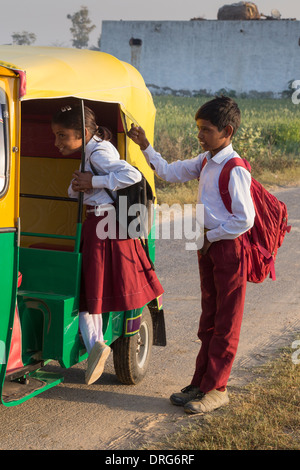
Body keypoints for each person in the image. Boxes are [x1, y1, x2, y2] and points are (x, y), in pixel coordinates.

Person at [128, 96, 255, 414]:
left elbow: (245, 218)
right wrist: (145, 145)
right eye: (199, 129)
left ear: (226, 131)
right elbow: (169, 173)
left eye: (206, 130)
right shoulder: (206, 161)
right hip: (209, 247)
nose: (199, 135)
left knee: (226, 321)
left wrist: (210, 236)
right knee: (209, 319)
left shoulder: (234, 168)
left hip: (227, 249)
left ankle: (218, 389)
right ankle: (201, 383)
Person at [51, 105, 164, 385]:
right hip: (104, 224)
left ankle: (96, 348)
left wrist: (94, 180)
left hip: (103, 225)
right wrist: (85, 183)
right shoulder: (93, 149)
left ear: (84, 133)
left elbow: (132, 176)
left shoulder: (98, 152)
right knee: (93, 291)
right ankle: (96, 347)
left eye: (63, 135)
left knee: (91, 292)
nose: (58, 142)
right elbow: (79, 189)